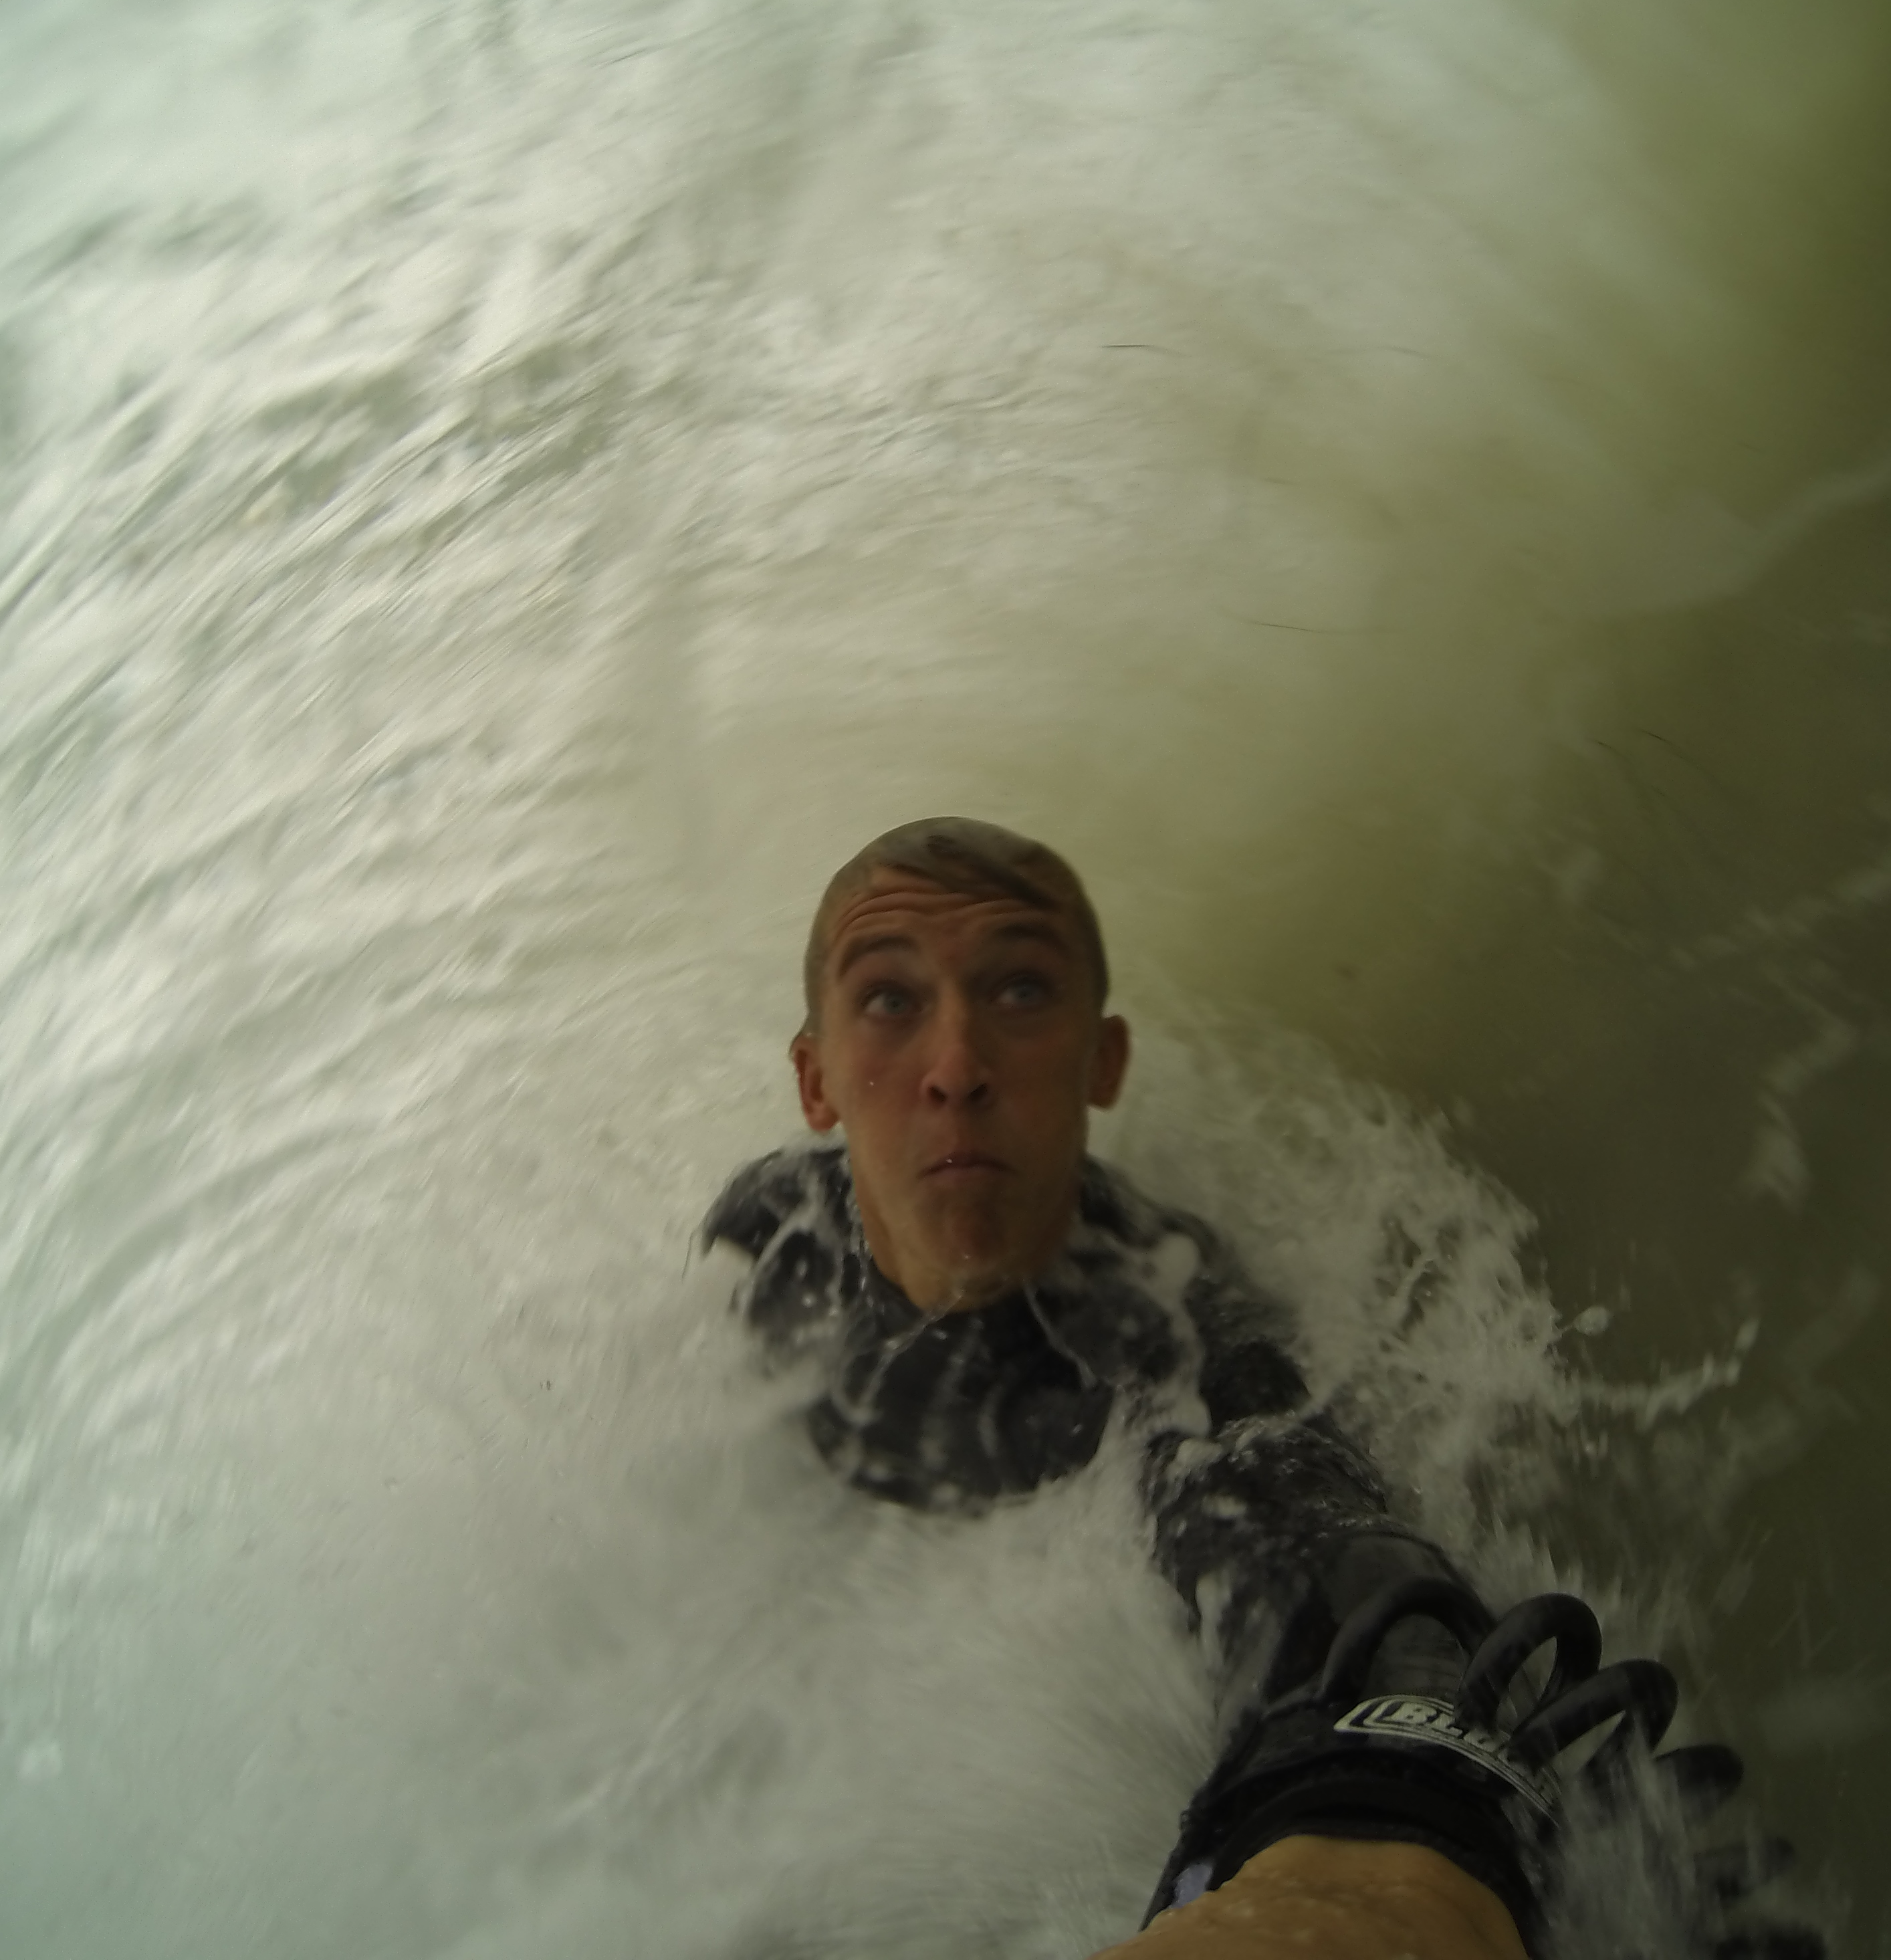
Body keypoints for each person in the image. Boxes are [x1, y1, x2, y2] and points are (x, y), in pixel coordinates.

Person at [698, 819, 1742, 1960]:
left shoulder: (1175, 1347)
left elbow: (1328, 1563)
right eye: (890, 1001)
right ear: (817, 1079)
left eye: (1021, 991)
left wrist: (1384, 1873)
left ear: (1102, 1061)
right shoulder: (772, 1229)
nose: (956, 1067)